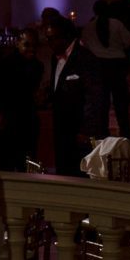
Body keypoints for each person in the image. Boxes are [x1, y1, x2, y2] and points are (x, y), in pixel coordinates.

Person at [41, 13, 89, 177]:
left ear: (66, 36)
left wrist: (85, 129)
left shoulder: (84, 58)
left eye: (52, 38)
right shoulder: (56, 58)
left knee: (78, 174)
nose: (49, 43)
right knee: (63, 171)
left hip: (78, 130)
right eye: (47, 39)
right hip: (61, 127)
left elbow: (93, 97)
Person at [0, 27, 44, 171]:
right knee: (7, 165)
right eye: (27, 45)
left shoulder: (38, 66)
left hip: (28, 121)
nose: (32, 49)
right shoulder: (3, 65)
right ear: (17, 43)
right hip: (8, 121)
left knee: (27, 165)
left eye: (34, 45)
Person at [80, 0, 130, 140]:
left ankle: (102, 135)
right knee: (120, 102)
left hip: (98, 65)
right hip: (117, 64)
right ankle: (125, 134)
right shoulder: (117, 24)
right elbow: (129, 41)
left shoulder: (89, 27)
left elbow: (85, 45)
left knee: (101, 101)